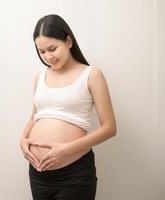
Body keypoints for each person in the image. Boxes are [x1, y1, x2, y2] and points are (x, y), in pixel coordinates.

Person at [19, 14, 117, 200]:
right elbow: (34, 117)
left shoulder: (92, 75)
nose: (48, 56)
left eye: (52, 48)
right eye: (41, 51)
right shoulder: (40, 76)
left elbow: (110, 128)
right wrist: (23, 140)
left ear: (69, 41)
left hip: (74, 174)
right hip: (38, 174)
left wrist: (66, 150)